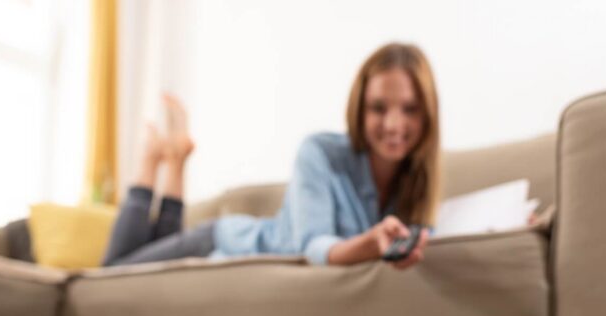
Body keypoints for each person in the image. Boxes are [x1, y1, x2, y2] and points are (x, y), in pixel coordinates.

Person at [102, 42, 439, 270]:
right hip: (224, 241)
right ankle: (151, 158)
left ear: (427, 114)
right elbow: (314, 246)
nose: (395, 124)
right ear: (359, 109)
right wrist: (368, 244)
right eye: (378, 108)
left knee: (140, 264)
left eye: (410, 109)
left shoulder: (420, 183)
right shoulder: (320, 152)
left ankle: (174, 161)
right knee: (111, 275)